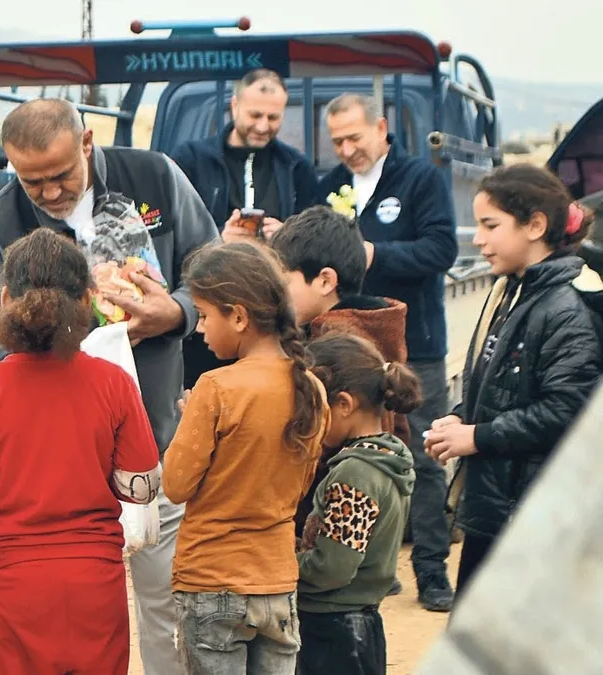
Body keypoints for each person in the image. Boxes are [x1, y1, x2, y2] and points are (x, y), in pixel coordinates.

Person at [0, 97, 217, 675]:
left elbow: (214, 268)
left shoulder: (155, 177)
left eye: (61, 175)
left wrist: (173, 313)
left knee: (166, 606)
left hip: (157, 443)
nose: (49, 193)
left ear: (88, 142)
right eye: (32, 181)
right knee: (53, 630)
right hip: (51, 476)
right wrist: (83, 339)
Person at [0, 228, 162, 674]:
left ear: (4, 301)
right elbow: (142, 487)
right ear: (88, 300)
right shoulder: (113, 383)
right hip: (94, 579)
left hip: (15, 580)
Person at [425, 164, 603, 594]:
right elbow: (501, 383)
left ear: (535, 225)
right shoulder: (512, 289)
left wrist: (478, 436)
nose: (478, 239)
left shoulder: (567, 306)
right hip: (498, 503)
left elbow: (566, 411)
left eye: (491, 225)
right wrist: (461, 417)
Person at [317, 93, 459, 612]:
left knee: (423, 457)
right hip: (346, 345)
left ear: (381, 128)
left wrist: (374, 253)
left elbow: (441, 249)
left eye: (355, 137)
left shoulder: (420, 179)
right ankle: (374, 567)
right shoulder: (328, 184)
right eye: (337, 141)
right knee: (353, 457)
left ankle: (431, 571)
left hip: (413, 345)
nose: (347, 149)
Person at [163, 241, 329, 675]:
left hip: (211, 579)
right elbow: (299, 482)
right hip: (276, 580)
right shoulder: (312, 389)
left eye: (203, 314)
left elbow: (176, 486)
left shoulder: (216, 388)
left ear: (238, 316)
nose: (199, 328)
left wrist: (189, 427)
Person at [171, 69, 320, 391]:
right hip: (206, 324)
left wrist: (286, 236)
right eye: (255, 115)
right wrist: (218, 240)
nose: (263, 126)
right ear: (234, 105)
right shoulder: (191, 160)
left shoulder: (297, 167)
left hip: (272, 324)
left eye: (273, 117)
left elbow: (316, 244)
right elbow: (170, 239)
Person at [270, 206, 411, 537]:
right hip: (364, 519)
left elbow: (315, 440)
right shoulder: (374, 327)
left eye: (283, 282)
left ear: (324, 280)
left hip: (332, 522)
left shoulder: (336, 346)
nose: (275, 296)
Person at [297, 332, 419, 675]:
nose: (307, 418)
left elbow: (332, 566)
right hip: (354, 628)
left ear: (345, 405)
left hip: (334, 632)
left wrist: (281, 564)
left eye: (313, 405)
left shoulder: (356, 474)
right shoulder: (385, 458)